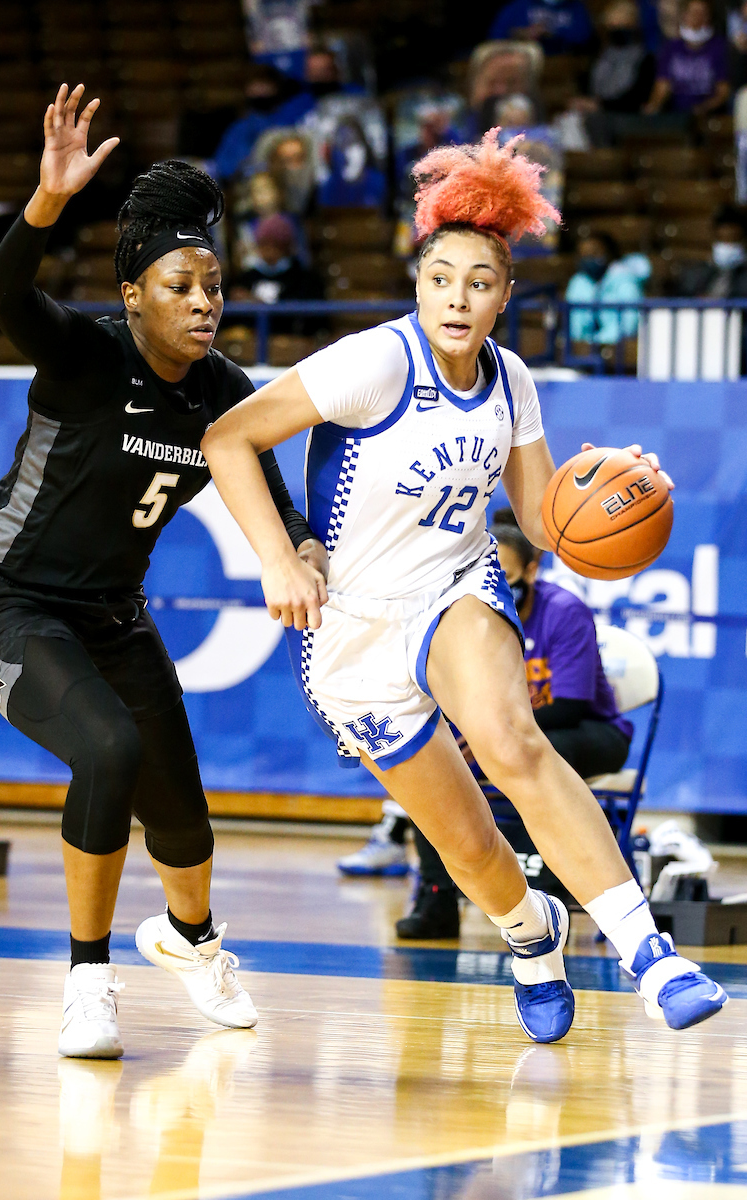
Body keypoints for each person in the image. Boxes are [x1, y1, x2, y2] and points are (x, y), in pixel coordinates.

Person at [202, 129, 727, 1042]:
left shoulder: (511, 378)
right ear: (419, 283)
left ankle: (650, 953)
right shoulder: (373, 363)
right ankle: (532, 932)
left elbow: (548, 518)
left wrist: (629, 484)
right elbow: (226, 438)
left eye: (479, 282)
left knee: (511, 740)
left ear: (504, 297)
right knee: (467, 846)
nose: (459, 296)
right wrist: (280, 558)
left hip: (454, 589)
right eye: (442, 277)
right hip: (352, 630)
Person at [0, 85, 323, 1059]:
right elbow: (0, 297)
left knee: (185, 824)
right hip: (1, 600)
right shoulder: (81, 356)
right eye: (179, 287)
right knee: (106, 752)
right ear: (130, 296)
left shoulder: (222, 391)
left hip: (113, 615)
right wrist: (45, 202)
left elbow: (273, 504)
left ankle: (191, 941)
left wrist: (305, 547)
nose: (204, 304)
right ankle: (85, 979)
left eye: (214, 286)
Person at [395, 508, 635, 939]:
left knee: (533, 750)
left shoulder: (564, 610)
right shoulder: (467, 616)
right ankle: (437, 898)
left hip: (592, 731)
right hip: (502, 730)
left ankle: (569, 892)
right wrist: (472, 736)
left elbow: (571, 705)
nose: (499, 581)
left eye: (508, 572)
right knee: (434, 765)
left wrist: (487, 732)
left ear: (532, 567)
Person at [573, 0, 656, 142]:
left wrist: (601, 105)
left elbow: (636, 99)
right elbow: (589, 88)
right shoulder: (599, 56)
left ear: (634, 23)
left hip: (626, 117)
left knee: (595, 123)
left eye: (621, 24)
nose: (615, 29)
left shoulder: (645, 59)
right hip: (595, 114)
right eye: (611, 25)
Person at [228, 212, 325, 334]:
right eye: (263, 245)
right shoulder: (246, 278)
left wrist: (256, 303)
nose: (268, 252)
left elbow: (306, 320)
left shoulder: (305, 279)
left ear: (286, 247)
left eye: (275, 246)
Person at [644, 0, 730, 116]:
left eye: (702, 13)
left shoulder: (720, 47)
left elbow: (723, 91)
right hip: (676, 116)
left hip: (709, 116)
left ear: (710, 17)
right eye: (693, 13)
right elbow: (662, 87)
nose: (697, 18)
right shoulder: (671, 48)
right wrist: (653, 107)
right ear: (683, 15)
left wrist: (702, 108)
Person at [565, 230, 651, 346]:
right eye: (584, 254)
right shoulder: (578, 283)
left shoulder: (625, 281)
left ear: (609, 253)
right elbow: (573, 325)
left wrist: (598, 341)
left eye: (595, 253)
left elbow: (629, 325)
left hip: (617, 350)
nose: (589, 258)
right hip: (583, 352)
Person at [460, 41, 546, 142]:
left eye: (512, 83)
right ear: (474, 85)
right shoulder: (452, 130)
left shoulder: (544, 136)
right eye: (492, 82)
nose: (501, 91)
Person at [671, 204, 747, 297]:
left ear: (742, 241)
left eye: (733, 240)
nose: (728, 246)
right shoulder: (694, 274)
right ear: (714, 239)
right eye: (722, 239)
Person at [488, 0, 596, 56]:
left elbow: (585, 38)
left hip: (560, 67)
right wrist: (518, 34)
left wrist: (553, 34)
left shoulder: (576, 7)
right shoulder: (520, 5)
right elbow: (495, 36)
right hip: (521, 62)